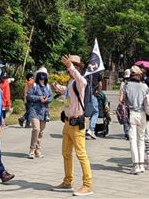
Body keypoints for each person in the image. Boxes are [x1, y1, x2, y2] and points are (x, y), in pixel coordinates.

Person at [51, 54, 93, 196]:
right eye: (69, 66)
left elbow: (82, 82)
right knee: (66, 154)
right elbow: (67, 92)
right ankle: (67, 182)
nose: (69, 68)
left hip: (77, 123)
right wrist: (57, 87)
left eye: (72, 66)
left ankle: (88, 185)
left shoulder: (81, 81)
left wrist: (70, 66)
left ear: (77, 67)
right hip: (67, 123)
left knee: (81, 154)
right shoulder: (71, 82)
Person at [121, 65, 149, 175]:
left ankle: (136, 165)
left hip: (132, 113)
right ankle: (142, 164)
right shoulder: (144, 86)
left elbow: (121, 100)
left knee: (133, 139)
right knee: (141, 139)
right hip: (142, 114)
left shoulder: (126, 85)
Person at [27, 67, 53, 158]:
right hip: (34, 110)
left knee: (41, 132)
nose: (42, 76)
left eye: (44, 74)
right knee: (36, 129)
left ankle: (38, 150)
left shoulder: (48, 86)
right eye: (40, 74)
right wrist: (39, 98)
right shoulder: (34, 85)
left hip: (44, 111)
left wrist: (46, 100)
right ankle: (32, 150)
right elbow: (29, 96)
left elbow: (51, 97)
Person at [117, 69, 131, 140]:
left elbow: (121, 93)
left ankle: (127, 132)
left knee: (125, 118)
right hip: (131, 103)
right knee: (129, 117)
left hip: (125, 103)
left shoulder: (123, 83)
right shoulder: (132, 82)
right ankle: (130, 132)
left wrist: (120, 102)